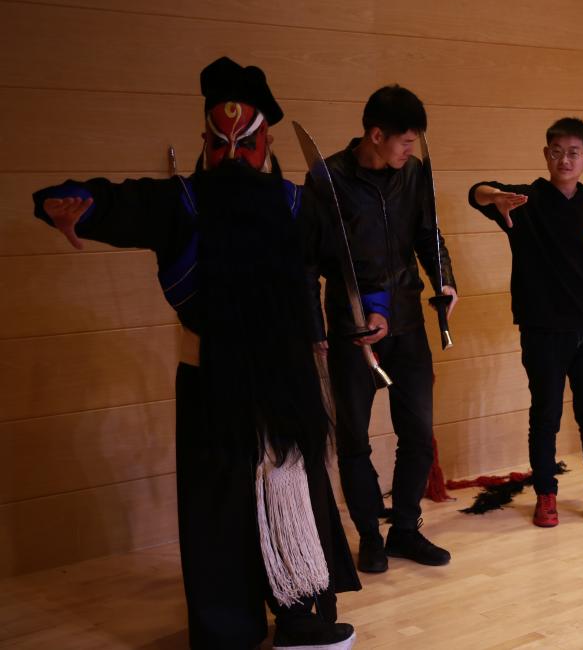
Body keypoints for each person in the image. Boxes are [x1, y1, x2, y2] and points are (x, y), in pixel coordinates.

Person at [31, 57, 359, 649]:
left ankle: (302, 617)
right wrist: (71, 201)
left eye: (246, 144)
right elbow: (115, 201)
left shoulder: (295, 205)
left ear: (267, 144)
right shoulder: (180, 203)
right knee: (217, 506)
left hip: (285, 377)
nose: (233, 158)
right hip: (211, 380)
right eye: (219, 143)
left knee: (295, 486)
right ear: (204, 143)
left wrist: (374, 308)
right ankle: (227, 632)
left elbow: (345, 262)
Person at [306, 84, 456, 573]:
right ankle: (369, 536)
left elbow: (428, 236)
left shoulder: (412, 174)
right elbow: (308, 261)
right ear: (376, 135)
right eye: (405, 141)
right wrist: (315, 325)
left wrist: (445, 281)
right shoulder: (327, 178)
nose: (411, 150)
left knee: (418, 433)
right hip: (353, 329)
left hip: (408, 323)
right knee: (354, 438)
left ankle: (406, 529)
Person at [468, 117, 583, 529]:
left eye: (574, 153)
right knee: (546, 414)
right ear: (546, 154)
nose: (565, 160)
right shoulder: (525, 200)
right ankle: (546, 494)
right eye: (556, 152)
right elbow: (475, 193)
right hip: (543, 328)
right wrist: (494, 197)